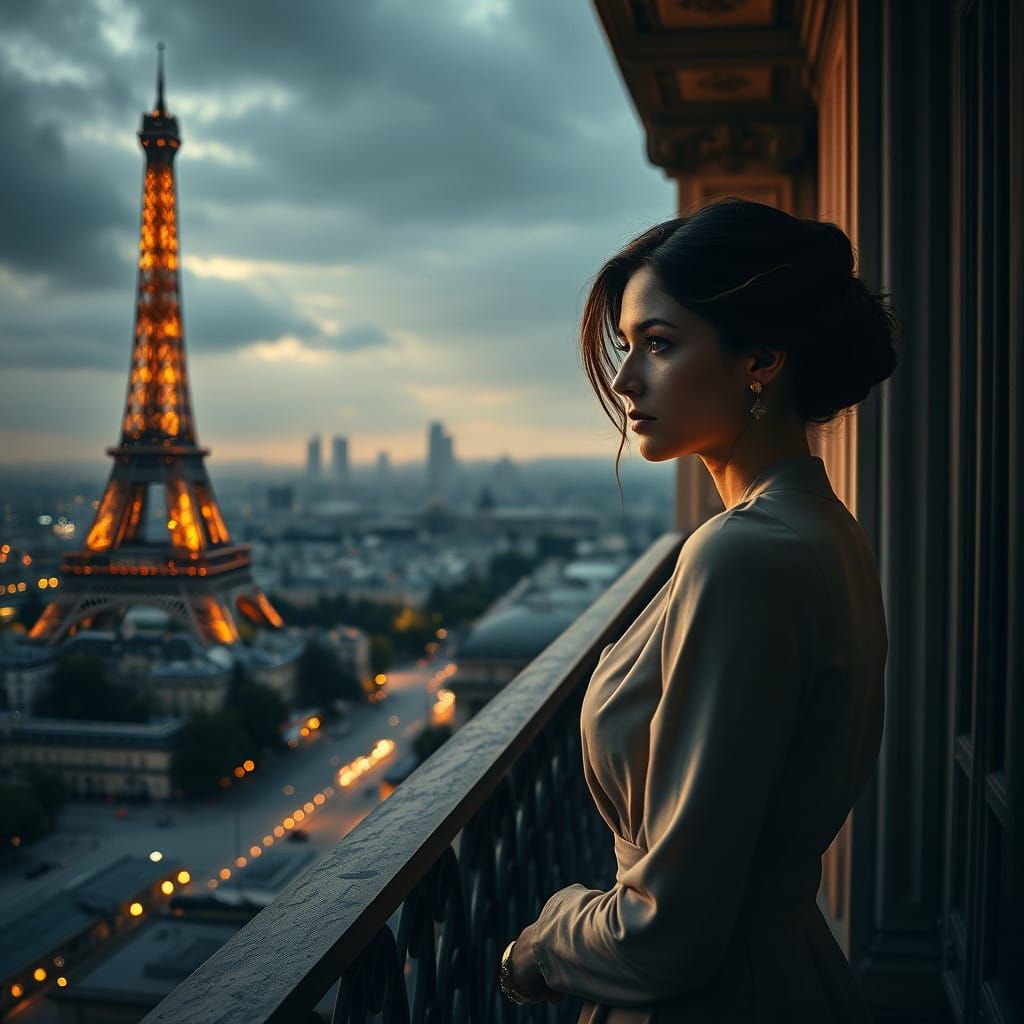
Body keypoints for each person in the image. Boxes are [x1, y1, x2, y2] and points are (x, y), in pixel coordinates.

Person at [496, 197, 901, 1022]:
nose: (623, 380)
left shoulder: (739, 556)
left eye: (659, 344)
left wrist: (541, 943)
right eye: (626, 348)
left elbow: (669, 933)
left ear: (761, 359)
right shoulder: (826, 531)